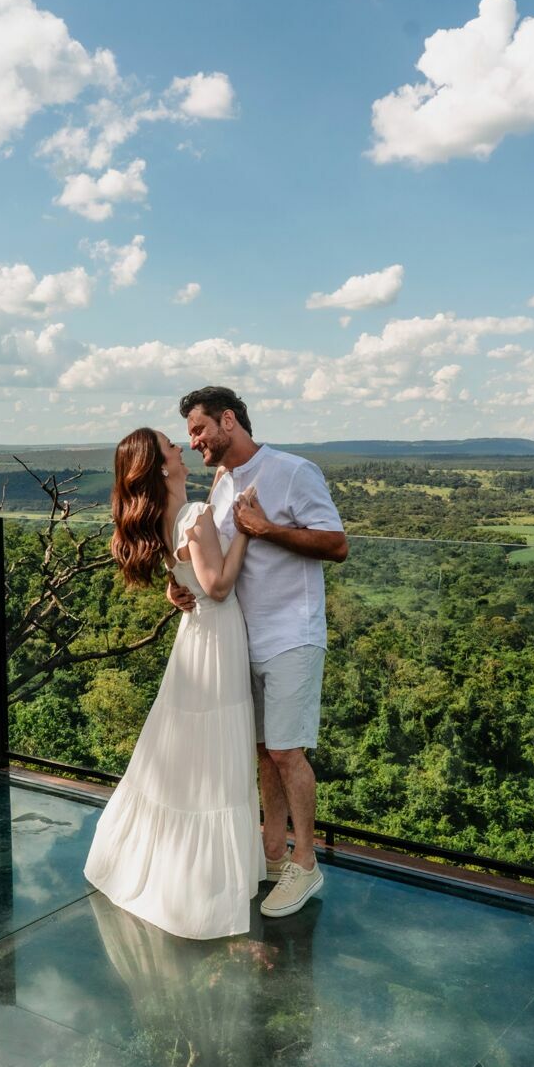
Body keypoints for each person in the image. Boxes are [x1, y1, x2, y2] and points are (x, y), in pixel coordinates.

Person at [173, 386, 347, 919]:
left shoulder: (293, 470)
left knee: (288, 751)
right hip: (243, 636)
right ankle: (272, 854)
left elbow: (337, 544)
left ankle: (306, 863)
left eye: (200, 430)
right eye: (190, 436)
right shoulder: (223, 482)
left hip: (293, 632)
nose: (196, 442)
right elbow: (220, 560)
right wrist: (182, 586)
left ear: (229, 421)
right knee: (264, 750)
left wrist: (268, 528)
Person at [83, 428, 260, 940]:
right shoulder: (192, 515)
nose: (181, 450)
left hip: (195, 638)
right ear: (162, 467)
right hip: (217, 637)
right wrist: (247, 527)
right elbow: (220, 587)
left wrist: (175, 586)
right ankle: (202, 884)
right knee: (213, 751)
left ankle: (186, 869)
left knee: (192, 752)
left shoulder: (163, 519)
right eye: (171, 446)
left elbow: (186, 575)